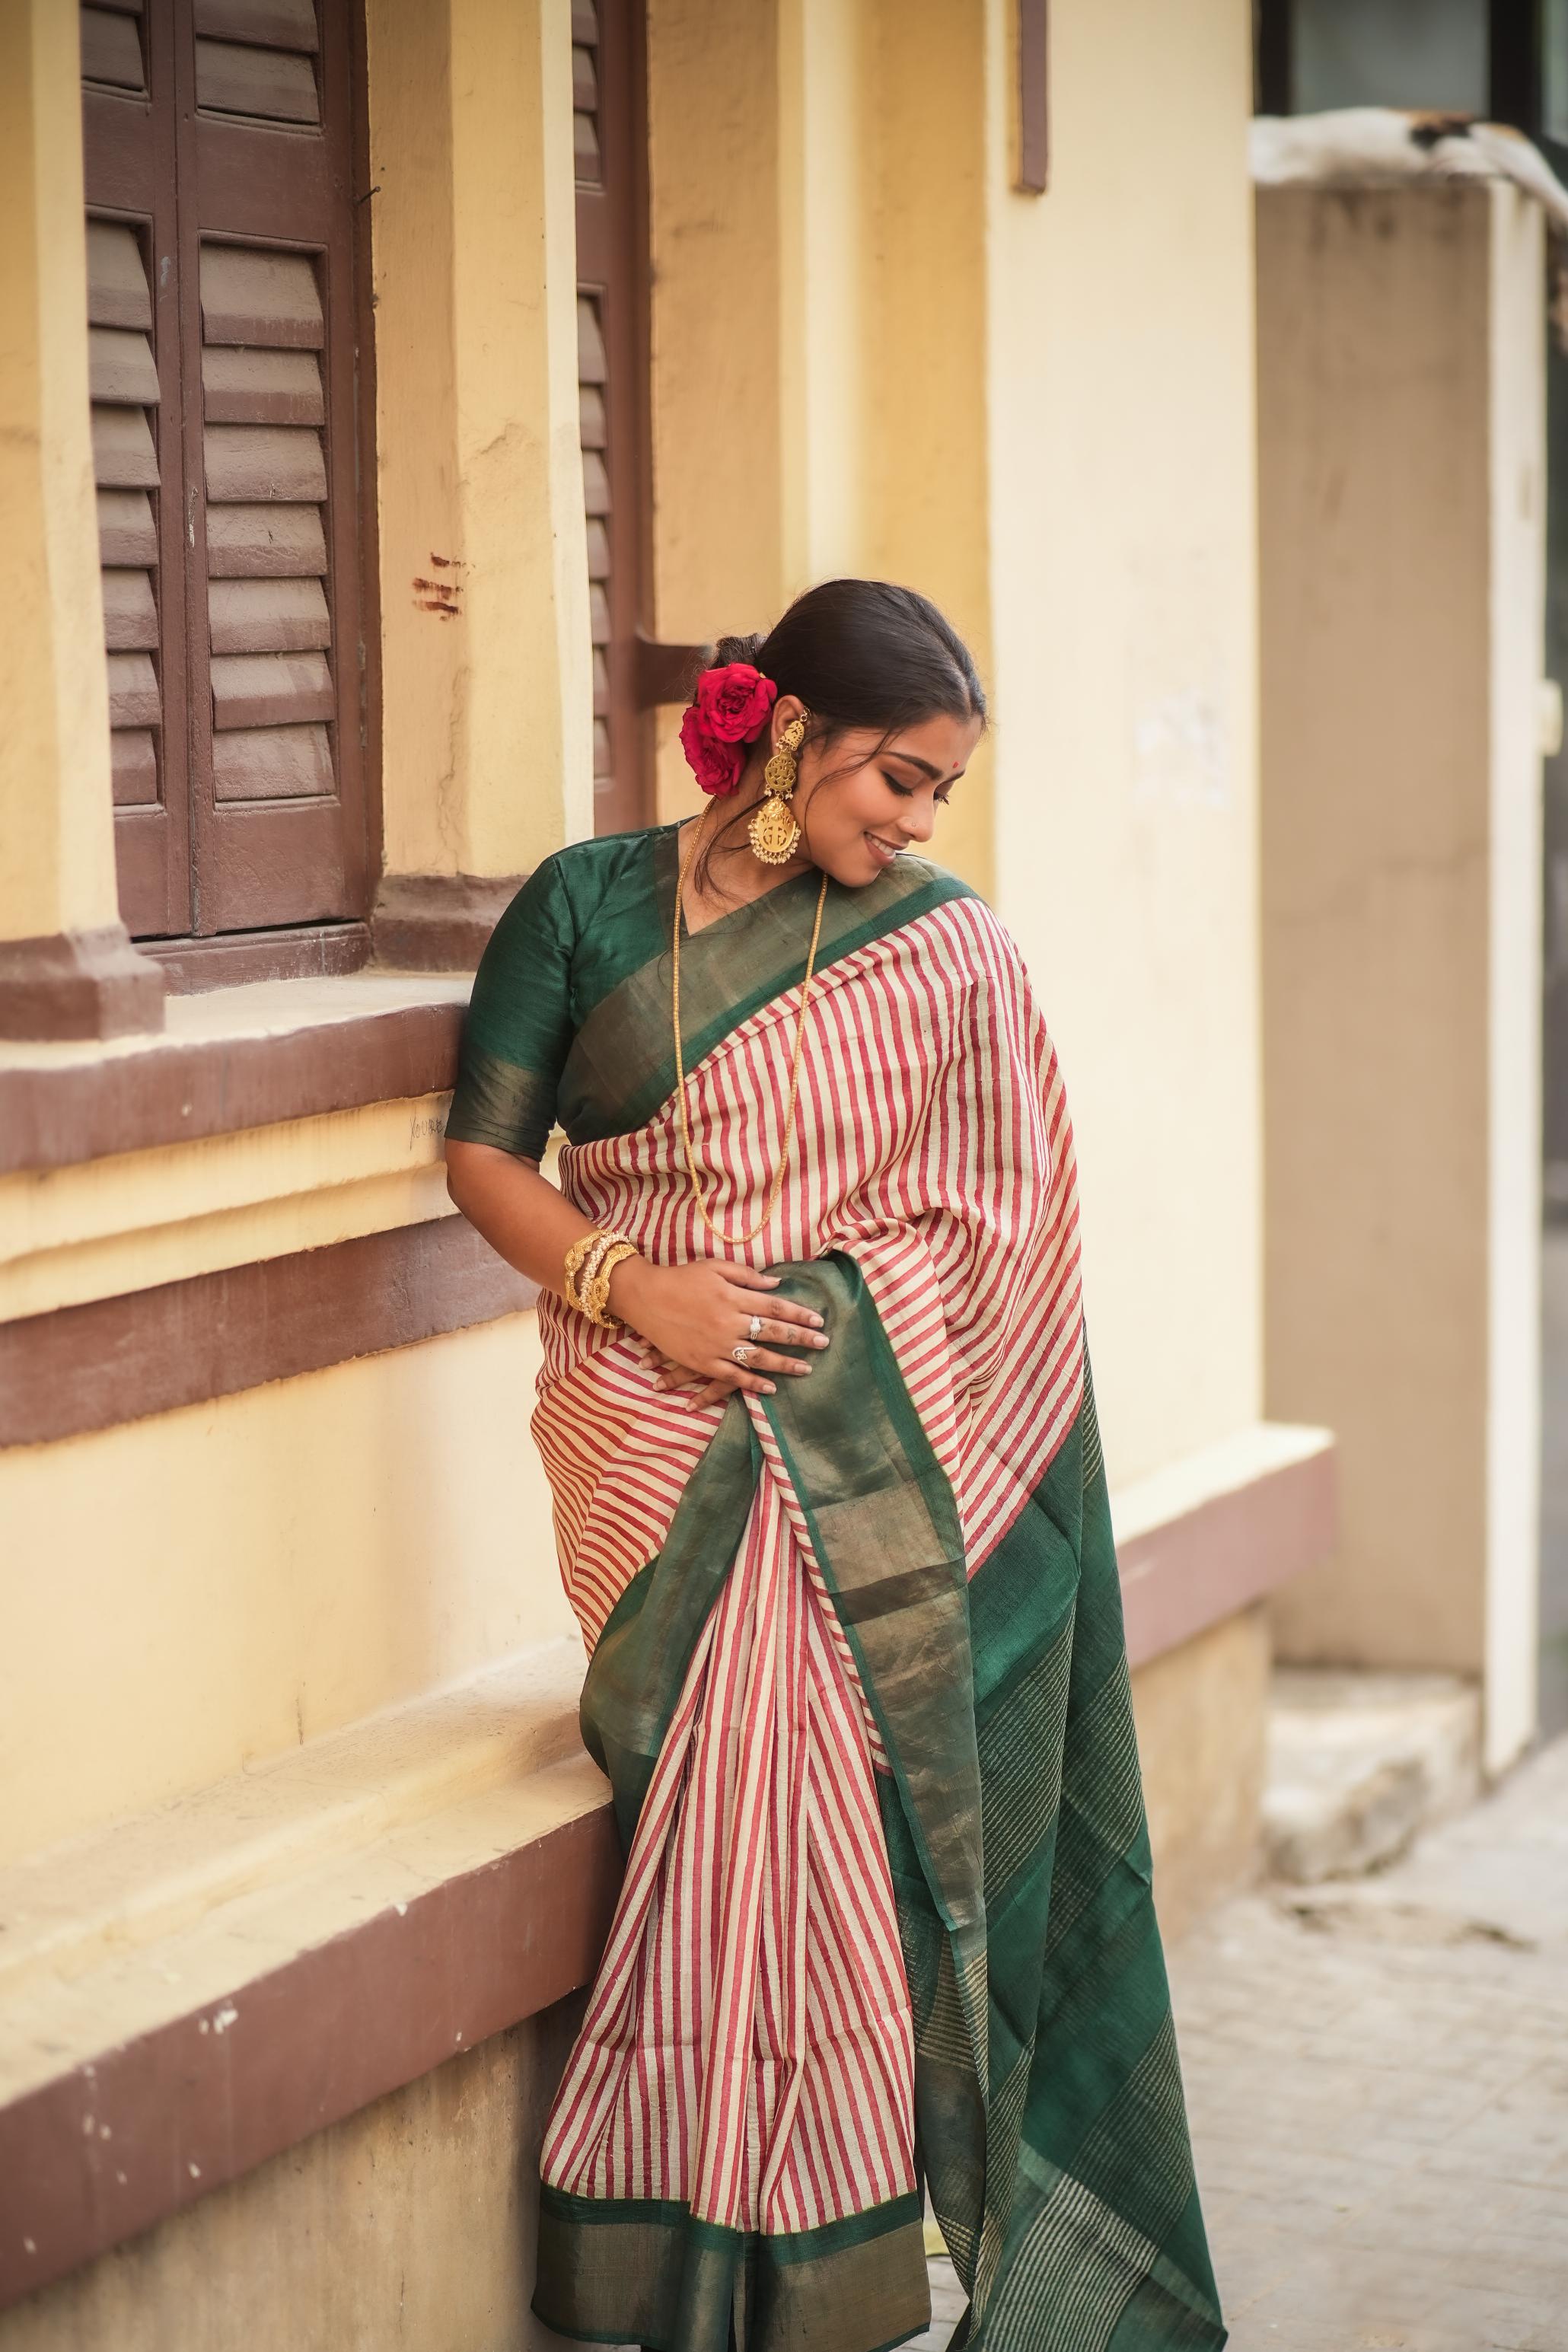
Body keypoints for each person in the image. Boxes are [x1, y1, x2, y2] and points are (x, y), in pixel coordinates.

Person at [443, 578, 1226, 2352]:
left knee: (809, 1789)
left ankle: (811, 2276)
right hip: (636, 1413)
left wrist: (829, 1331)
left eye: (943, 791)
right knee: (743, 1755)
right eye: (899, 775)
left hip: (860, 1432)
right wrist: (639, 1288)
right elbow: (486, 1157)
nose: (921, 821)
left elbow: (1011, 1230)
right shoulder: (584, 906)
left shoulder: (951, 950)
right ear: (789, 731)